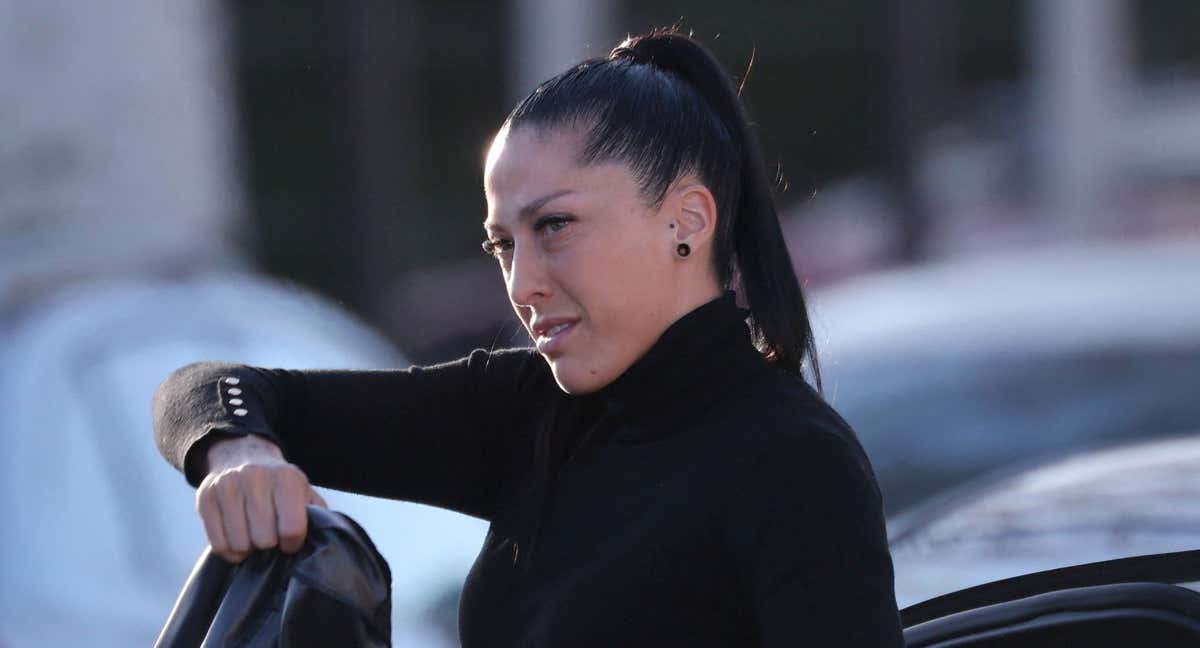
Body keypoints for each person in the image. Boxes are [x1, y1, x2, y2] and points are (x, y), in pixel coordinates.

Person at [154, 28, 904, 646]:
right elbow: (205, 390)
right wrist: (238, 452)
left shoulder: (795, 464)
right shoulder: (529, 410)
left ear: (687, 220)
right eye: (503, 245)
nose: (523, 284)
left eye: (554, 227)